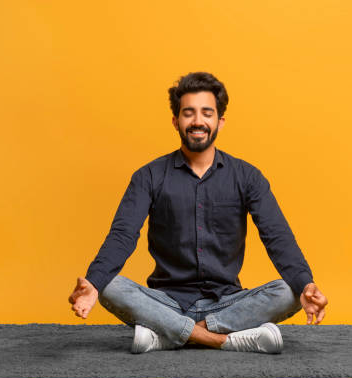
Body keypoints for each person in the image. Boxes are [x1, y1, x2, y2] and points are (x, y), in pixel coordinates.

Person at [68, 72, 328, 354]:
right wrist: (93, 285)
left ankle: (168, 335)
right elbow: (122, 235)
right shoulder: (149, 176)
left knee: (289, 291)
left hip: (227, 301)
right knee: (108, 286)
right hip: (165, 301)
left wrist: (306, 285)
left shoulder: (247, 177)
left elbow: (277, 236)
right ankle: (223, 340)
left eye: (207, 113)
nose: (197, 121)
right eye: (188, 113)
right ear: (175, 121)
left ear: (220, 121)